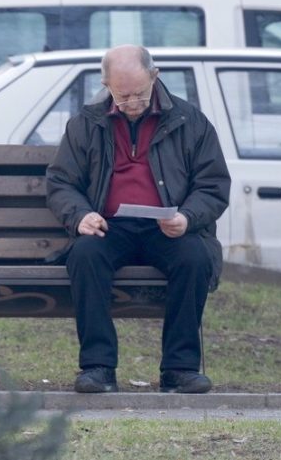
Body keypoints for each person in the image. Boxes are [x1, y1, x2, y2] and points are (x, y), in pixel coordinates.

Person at [45, 45, 231, 394]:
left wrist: (188, 218)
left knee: (194, 258)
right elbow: (61, 183)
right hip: (110, 226)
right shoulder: (86, 123)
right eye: (123, 94)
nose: (132, 103)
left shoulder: (191, 122)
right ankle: (98, 367)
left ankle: (180, 368)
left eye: (140, 94)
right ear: (106, 84)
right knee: (85, 256)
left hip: (168, 227)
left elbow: (213, 184)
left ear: (155, 76)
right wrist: (81, 215)